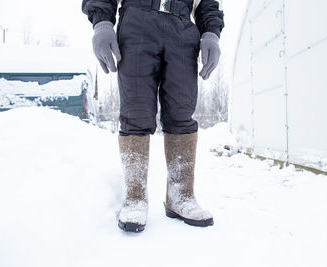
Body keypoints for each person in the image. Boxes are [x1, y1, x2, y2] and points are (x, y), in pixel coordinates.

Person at [82, 0, 224, 232]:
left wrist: (211, 32)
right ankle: (135, 197)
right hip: (137, 22)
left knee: (181, 111)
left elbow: (208, 3)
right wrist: (102, 23)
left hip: (183, 27)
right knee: (135, 112)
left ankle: (181, 195)